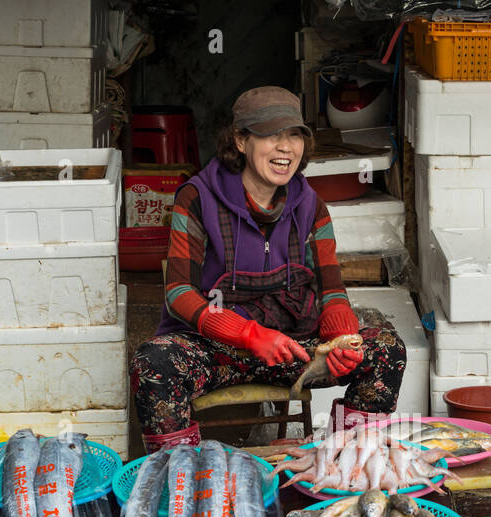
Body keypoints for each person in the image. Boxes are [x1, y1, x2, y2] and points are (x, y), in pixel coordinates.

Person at [129, 86, 407, 453]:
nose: (286, 147)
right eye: (271, 134)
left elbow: (332, 290)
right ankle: (181, 478)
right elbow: (179, 293)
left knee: (387, 349)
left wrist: (341, 340)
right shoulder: (196, 198)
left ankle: (348, 463)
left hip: (293, 349)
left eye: (294, 135)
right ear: (241, 141)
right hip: (219, 352)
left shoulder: (312, 207)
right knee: (153, 363)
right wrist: (247, 334)